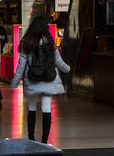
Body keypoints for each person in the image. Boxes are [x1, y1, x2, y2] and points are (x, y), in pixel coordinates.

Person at [10, 15, 70, 144]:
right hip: (48, 80)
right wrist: (68, 69)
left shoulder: (27, 41)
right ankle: (44, 141)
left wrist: (15, 82)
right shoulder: (49, 41)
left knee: (31, 108)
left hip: (32, 80)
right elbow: (58, 61)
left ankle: (31, 138)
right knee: (46, 108)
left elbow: (21, 64)